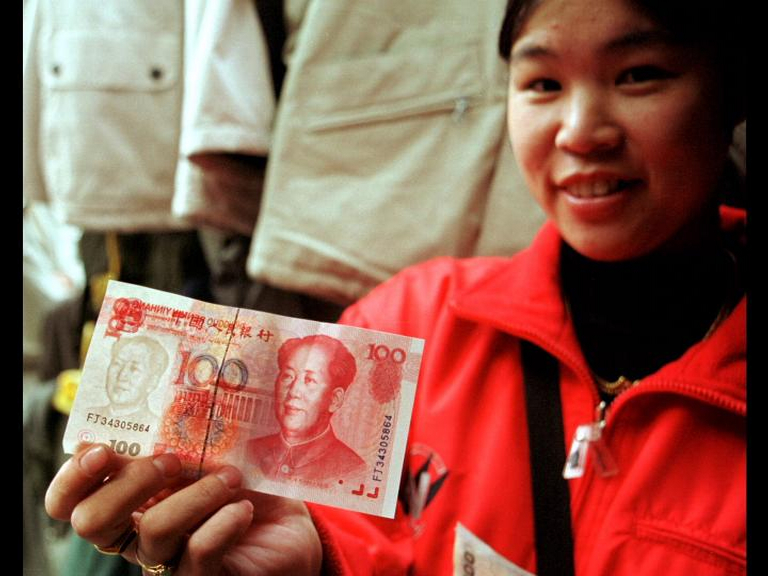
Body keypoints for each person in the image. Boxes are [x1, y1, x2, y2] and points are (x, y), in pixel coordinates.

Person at [44, 0, 746, 574]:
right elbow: (355, 543)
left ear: (732, 89)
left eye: (639, 75)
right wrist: (317, 564)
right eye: (542, 84)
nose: (580, 132)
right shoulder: (412, 321)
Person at [246, 335, 366, 485]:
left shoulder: (353, 471)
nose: (293, 391)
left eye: (309, 380)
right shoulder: (249, 451)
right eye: (288, 376)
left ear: (334, 399)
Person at [87, 335, 169, 419]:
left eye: (134, 369)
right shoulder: (83, 415)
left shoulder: (157, 425)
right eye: (117, 364)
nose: (122, 375)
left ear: (152, 382)